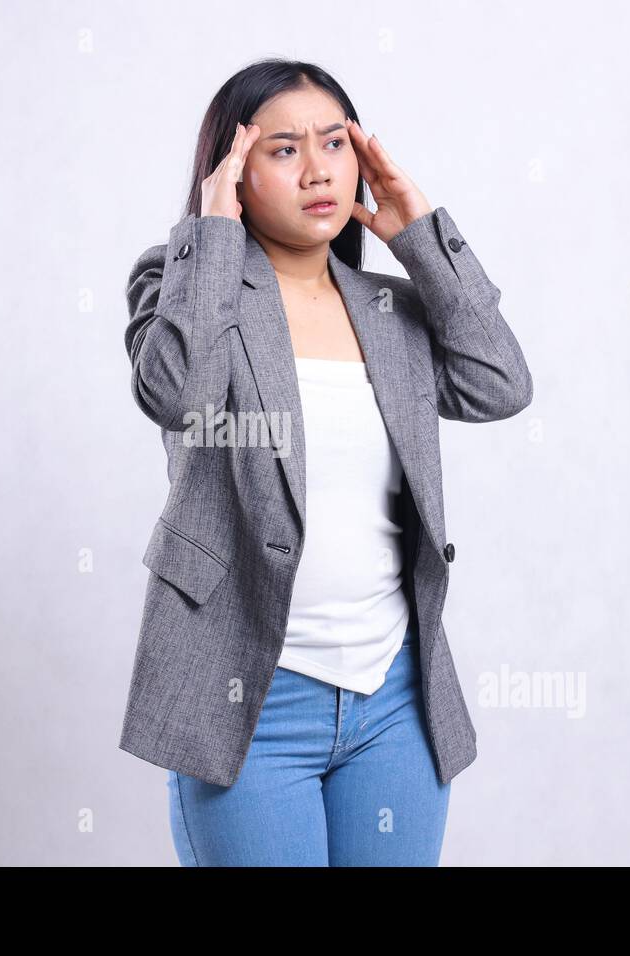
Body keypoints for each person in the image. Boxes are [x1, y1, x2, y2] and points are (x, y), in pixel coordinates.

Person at [121, 58, 533, 866]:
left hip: (395, 707)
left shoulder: (393, 310)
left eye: (335, 143)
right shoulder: (183, 283)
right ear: (232, 173)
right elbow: (175, 395)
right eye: (282, 150)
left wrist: (421, 237)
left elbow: (500, 383)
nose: (318, 170)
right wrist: (210, 234)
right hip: (249, 701)